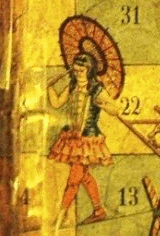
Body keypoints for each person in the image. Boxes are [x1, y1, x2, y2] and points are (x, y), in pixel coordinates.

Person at [46, 53, 120, 225]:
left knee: (74, 179)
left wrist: (105, 106)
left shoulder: (96, 89)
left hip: (88, 140)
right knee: (84, 176)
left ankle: (61, 216)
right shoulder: (72, 86)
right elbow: (57, 103)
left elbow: (116, 109)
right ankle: (99, 210)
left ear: (89, 70)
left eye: (82, 70)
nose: (78, 73)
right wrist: (49, 87)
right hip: (72, 137)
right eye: (76, 70)